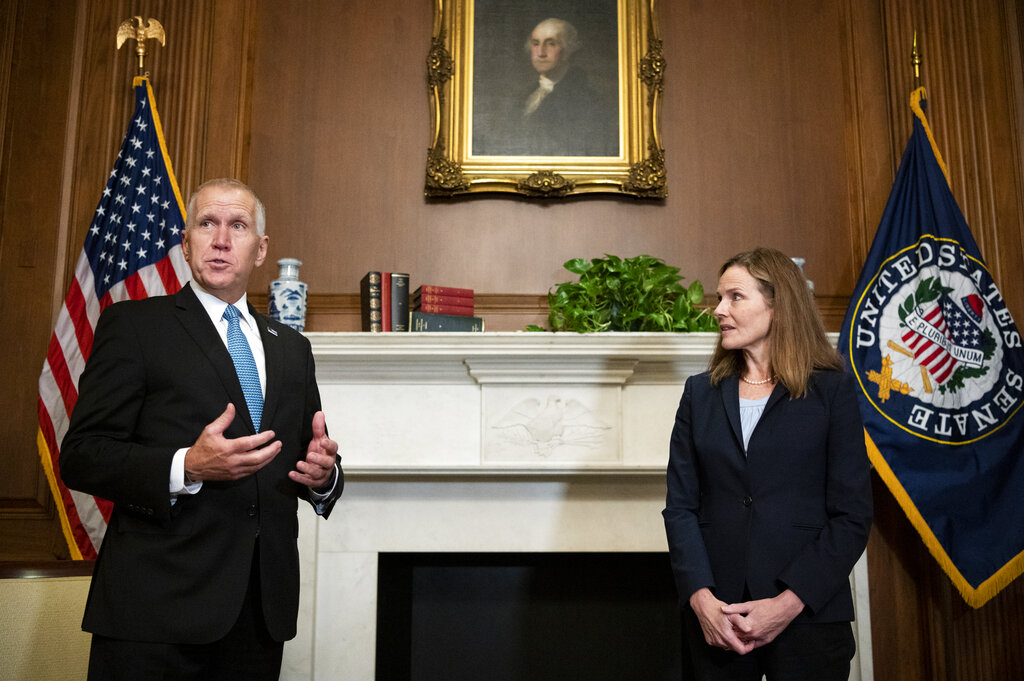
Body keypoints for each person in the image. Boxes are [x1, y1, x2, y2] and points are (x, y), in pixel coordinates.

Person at [59, 178, 344, 681]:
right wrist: (186, 465)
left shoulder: (290, 347)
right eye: (206, 224)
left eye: (238, 226)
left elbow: (309, 456)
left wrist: (324, 477)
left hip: (259, 616)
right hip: (156, 612)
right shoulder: (134, 326)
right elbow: (82, 454)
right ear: (186, 243)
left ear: (261, 249)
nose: (221, 239)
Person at [662, 247, 872, 681]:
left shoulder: (832, 392)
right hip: (717, 617)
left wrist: (787, 604)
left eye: (735, 297)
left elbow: (852, 516)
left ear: (778, 306)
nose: (718, 310)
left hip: (808, 615)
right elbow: (680, 508)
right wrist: (701, 599)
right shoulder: (699, 394)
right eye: (719, 298)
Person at [474, 17, 617, 157]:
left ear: (568, 49)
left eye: (551, 44)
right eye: (536, 43)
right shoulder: (526, 97)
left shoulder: (588, 102)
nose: (541, 52)